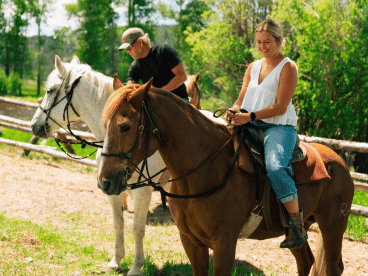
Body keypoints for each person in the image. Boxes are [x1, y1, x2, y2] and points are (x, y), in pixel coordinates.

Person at [225, 18, 307, 249]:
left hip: (277, 127)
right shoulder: (253, 67)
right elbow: (241, 98)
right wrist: (233, 110)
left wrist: (248, 117)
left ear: (280, 40)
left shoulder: (288, 68)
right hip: (248, 122)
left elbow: (281, 106)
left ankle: (296, 225)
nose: (263, 47)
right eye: (259, 42)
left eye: (268, 42)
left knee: (276, 167)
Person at [118, 27, 189, 103]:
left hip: (179, 101)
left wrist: (158, 92)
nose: (128, 52)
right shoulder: (135, 67)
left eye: (129, 47)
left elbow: (182, 76)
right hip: (156, 105)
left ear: (140, 42)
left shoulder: (164, 51)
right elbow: (130, 87)